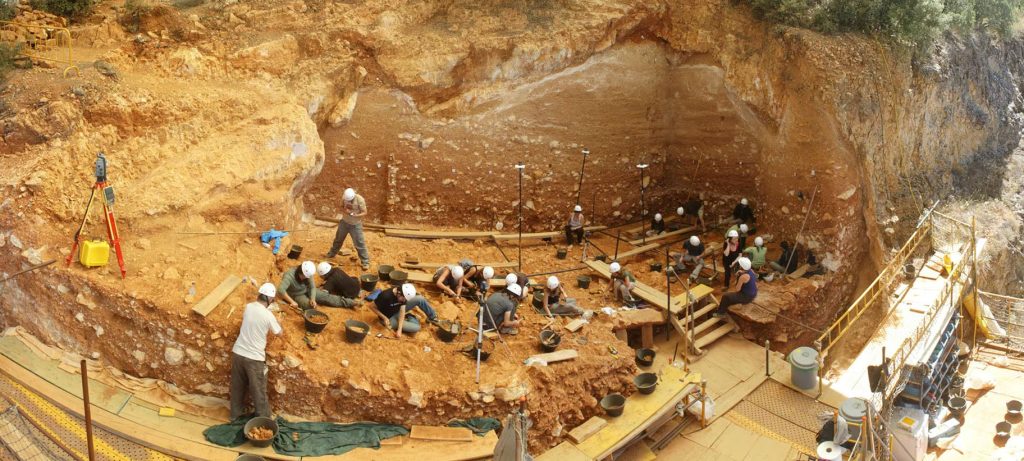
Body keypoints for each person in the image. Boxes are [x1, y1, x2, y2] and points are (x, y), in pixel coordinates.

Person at [230, 283, 283, 420]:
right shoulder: (268, 315)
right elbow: (279, 333)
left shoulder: (248, 307)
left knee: (237, 387)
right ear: (270, 300)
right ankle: (264, 420)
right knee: (258, 390)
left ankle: (235, 416)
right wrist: (278, 321)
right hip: (254, 358)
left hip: (238, 353)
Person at [370, 283, 438, 338]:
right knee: (416, 327)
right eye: (404, 299)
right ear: (399, 293)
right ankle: (410, 317)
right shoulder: (385, 296)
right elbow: (371, 306)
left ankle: (432, 317)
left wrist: (399, 330)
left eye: (406, 300)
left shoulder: (403, 295)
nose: (404, 301)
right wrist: (384, 318)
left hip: (397, 310)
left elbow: (402, 311)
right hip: (389, 318)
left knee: (420, 299)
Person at [326, 188, 370, 271]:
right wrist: (345, 211)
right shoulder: (344, 198)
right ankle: (332, 253)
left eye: (350, 199)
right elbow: (341, 207)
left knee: (359, 243)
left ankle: (365, 262)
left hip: (355, 225)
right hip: (344, 222)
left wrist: (356, 215)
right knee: (338, 239)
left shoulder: (360, 199)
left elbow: (365, 212)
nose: (349, 200)